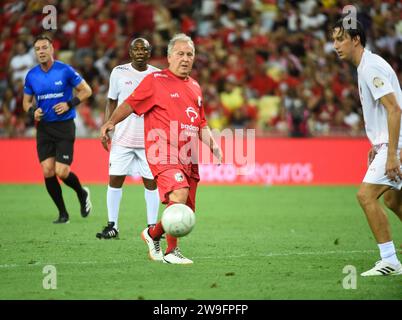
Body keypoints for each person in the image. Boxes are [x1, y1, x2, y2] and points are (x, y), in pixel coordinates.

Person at [101, 33, 222, 264]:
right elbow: (130, 103)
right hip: (163, 151)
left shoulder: (195, 87)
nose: (185, 58)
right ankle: (170, 252)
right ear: (168, 57)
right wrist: (110, 122)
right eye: (180, 54)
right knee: (179, 194)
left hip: (188, 154)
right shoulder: (155, 80)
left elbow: (201, 122)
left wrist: (213, 145)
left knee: (186, 210)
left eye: (189, 54)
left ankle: (152, 234)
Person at [332, 19, 402, 276]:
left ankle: (390, 261)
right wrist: (378, 143)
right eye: (333, 40)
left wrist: (392, 153)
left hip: (397, 145)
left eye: (340, 39)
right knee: (394, 201)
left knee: (366, 196)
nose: (335, 45)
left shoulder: (370, 67)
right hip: (388, 142)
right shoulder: (366, 67)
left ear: (356, 39)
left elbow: (395, 109)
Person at [23, 34, 92, 224]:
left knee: (61, 172)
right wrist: (32, 112)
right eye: (38, 49)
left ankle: (82, 193)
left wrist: (69, 104)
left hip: (64, 126)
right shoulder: (32, 75)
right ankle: (63, 214)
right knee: (47, 171)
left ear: (52, 49)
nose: (41, 52)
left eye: (45, 47)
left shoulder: (65, 70)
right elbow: (26, 102)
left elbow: (87, 90)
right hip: (44, 127)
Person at [96, 38, 160, 239]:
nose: (140, 52)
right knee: (115, 179)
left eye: (144, 49)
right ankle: (112, 225)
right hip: (122, 137)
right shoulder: (119, 72)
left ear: (149, 53)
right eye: (136, 49)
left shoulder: (157, 75)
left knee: (151, 182)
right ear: (130, 52)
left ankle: (152, 228)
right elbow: (111, 101)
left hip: (148, 140)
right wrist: (108, 125)